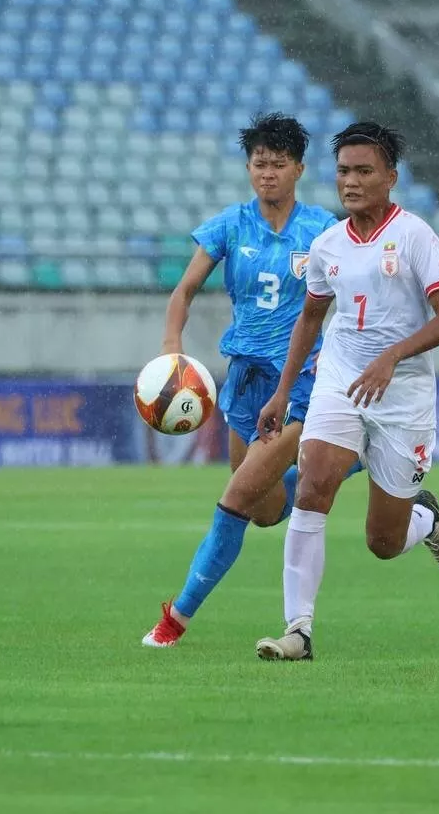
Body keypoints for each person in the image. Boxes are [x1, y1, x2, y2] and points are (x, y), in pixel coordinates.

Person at [252, 122, 439, 662]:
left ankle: (426, 518)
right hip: (342, 379)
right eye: (344, 171)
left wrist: (392, 356)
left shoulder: (416, 236)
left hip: (403, 395)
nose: (350, 181)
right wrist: (282, 393)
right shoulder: (327, 245)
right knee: (313, 485)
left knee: (383, 543)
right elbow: (310, 317)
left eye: (364, 171)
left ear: (390, 177)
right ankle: (297, 631)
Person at [142, 113, 351, 648]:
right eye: (259, 163)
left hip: (300, 383)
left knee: (235, 497)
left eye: (279, 164)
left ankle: (175, 620)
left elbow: (352, 298)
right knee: (262, 511)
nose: (268, 173)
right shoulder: (230, 226)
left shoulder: (323, 231)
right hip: (244, 383)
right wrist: (172, 349)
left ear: (299, 169)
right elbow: (184, 290)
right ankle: (353, 461)